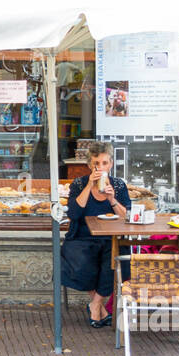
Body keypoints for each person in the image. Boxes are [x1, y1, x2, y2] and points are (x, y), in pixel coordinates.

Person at [61, 140, 131, 328]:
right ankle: (98, 308)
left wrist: (112, 199)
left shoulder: (118, 185)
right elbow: (74, 214)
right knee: (82, 258)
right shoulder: (79, 183)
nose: (100, 167)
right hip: (82, 237)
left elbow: (127, 218)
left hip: (111, 237)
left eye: (104, 163)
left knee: (113, 258)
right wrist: (88, 187)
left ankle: (95, 304)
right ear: (89, 165)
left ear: (111, 164)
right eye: (96, 164)